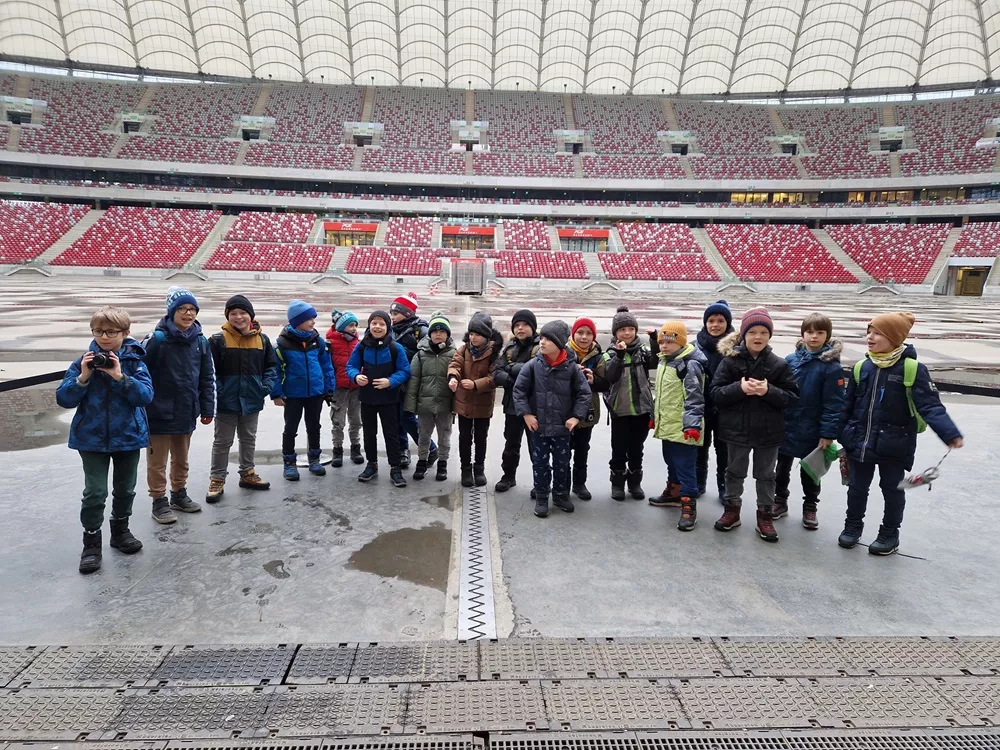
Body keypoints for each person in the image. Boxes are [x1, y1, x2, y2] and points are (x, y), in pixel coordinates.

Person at [838, 312, 963, 555]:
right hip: (859, 441)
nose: (869, 337)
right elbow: (847, 405)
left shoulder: (912, 369)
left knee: (893, 490)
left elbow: (930, 405)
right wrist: (837, 434)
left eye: (877, 333)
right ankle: (852, 525)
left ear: (894, 338)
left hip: (894, 444)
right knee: (856, 488)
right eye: (869, 331)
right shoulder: (861, 367)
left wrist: (950, 433)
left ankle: (890, 533)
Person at [57, 306, 154, 574]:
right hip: (91, 439)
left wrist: (120, 377)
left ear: (125, 333)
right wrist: (83, 377)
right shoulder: (83, 361)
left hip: (128, 437)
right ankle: (91, 542)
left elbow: (145, 396)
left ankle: (120, 531)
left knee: (125, 489)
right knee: (95, 492)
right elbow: (64, 399)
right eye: (98, 331)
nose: (104, 337)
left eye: (111, 331)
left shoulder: (135, 362)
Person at [710, 307, 799, 543]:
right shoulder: (730, 362)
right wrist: (738, 389)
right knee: (734, 472)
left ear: (769, 336)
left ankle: (765, 514)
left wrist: (769, 390)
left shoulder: (778, 365)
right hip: (736, 430)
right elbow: (716, 394)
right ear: (743, 335)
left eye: (763, 332)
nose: (757, 337)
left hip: (768, 432)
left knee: (766, 475)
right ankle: (732, 510)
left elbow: (792, 398)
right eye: (752, 332)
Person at [143, 286, 215, 525]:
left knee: (181, 458)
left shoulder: (200, 341)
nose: (188, 314)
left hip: (186, 410)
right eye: (182, 309)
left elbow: (206, 376)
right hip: (159, 412)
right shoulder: (158, 340)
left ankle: (179, 494)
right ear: (172, 311)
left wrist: (207, 408)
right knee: (157, 460)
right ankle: (159, 501)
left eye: (192, 309)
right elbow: (141, 373)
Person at [513, 320, 591, 518]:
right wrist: (527, 414)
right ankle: (541, 496)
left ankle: (560, 495)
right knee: (540, 463)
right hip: (538, 427)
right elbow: (519, 390)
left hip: (562, 429)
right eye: (542, 337)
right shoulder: (533, 366)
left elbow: (584, 393)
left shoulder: (572, 368)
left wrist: (576, 417)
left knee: (562, 463)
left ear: (559, 343)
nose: (542, 342)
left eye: (548, 339)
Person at [774, 313, 845, 530]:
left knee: (811, 471)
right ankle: (780, 501)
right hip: (787, 424)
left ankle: (810, 505)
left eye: (820, 332)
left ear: (827, 336)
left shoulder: (831, 367)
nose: (814, 337)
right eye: (810, 332)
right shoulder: (790, 360)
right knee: (780, 468)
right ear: (803, 333)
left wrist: (828, 433)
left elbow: (834, 403)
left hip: (813, 428)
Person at [206, 295, 278, 503]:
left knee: (248, 438)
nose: (238, 317)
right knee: (222, 442)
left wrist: (265, 387)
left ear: (250, 315)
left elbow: (271, 367)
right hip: (226, 401)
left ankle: (247, 473)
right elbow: (210, 371)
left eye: (242, 313)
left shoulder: (262, 340)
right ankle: (217, 478)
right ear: (228, 316)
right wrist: (219, 391)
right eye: (233, 314)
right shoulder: (218, 340)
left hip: (252, 399)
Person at [649, 321, 708, 531]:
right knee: (671, 461)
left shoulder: (689, 365)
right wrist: (654, 416)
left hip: (684, 428)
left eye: (669, 342)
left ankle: (689, 505)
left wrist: (692, 425)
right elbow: (662, 394)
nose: (664, 346)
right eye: (661, 342)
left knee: (685, 467)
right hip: (668, 425)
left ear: (681, 343)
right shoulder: (665, 361)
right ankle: (673, 492)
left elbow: (694, 398)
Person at [271, 299, 336, 481]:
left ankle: (314, 459)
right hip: (292, 394)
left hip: (315, 393)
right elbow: (275, 370)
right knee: (290, 428)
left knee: (314, 427)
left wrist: (329, 388)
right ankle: (289, 462)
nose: (313, 322)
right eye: (309, 319)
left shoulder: (318, 341)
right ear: (297, 321)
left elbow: (327, 366)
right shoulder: (282, 344)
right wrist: (276, 393)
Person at [346, 310, 411, 487]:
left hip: (389, 399)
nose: (377, 326)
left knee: (392, 434)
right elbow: (351, 366)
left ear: (387, 327)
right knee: (369, 433)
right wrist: (355, 376)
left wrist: (390, 381)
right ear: (369, 326)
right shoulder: (361, 347)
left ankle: (395, 468)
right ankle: (371, 465)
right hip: (367, 398)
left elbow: (405, 371)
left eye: (382, 324)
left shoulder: (395, 348)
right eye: (374, 323)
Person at [602, 305, 657, 501]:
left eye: (631, 329)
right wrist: (618, 355)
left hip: (641, 409)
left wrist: (654, 340)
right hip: (620, 409)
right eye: (623, 330)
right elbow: (610, 374)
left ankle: (634, 483)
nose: (627, 333)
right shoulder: (609, 352)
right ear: (616, 333)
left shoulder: (643, 350)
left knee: (636, 448)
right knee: (619, 449)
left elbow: (655, 362)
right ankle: (617, 483)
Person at [449, 311, 504, 488]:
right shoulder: (464, 349)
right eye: (471, 333)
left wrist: (475, 384)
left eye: (478, 334)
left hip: (482, 403)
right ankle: (466, 469)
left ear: (487, 336)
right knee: (464, 436)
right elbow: (455, 364)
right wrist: (453, 377)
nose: (473, 338)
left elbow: (495, 377)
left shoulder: (494, 353)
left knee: (481, 437)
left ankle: (478, 469)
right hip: (463, 401)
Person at [404, 311, 456, 481]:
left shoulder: (454, 354)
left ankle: (443, 463)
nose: (438, 334)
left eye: (442, 331)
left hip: (445, 405)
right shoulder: (421, 354)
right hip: (424, 406)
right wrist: (410, 406)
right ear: (429, 333)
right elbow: (413, 382)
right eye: (434, 331)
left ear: (447, 334)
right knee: (423, 435)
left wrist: (456, 406)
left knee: (444, 436)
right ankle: (422, 462)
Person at [493, 309, 539, 493]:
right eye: (517, 325)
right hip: (512, 404)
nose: (520, 328)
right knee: (511, 443)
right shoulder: (509, 348)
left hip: (534, 405)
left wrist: (511, 369)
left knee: (536, 445)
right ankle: (508, 476)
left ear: (532, 327)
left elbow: (536, 371)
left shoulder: (540, 346)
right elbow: (497, 372)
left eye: (525, 325)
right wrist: (513, 377)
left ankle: (540, 481)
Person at [390, 292, 435, 468]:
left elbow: (425, 353)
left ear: (407, 313)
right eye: (392, 314)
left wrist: (400, 352)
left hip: (411, 380)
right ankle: (402, 450)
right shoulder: (391, 329)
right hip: (393, 380)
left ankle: (430, 448)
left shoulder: (421, 329)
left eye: (396, 313)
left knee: (406, 416)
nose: (392, 317)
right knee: (396, 417)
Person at [566, 317, 607, 500]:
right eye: (580, 333)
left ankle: (579, 483)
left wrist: (594, 380)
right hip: (564, 410)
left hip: (587, 410)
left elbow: (606, 383)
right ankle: (562, 482)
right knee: (563, 449)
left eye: (589, 333)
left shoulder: (598, 355)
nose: (584, 337)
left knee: (583, 449)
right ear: (573, 334)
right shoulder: (563, 352)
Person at [326, 310, 364, 468]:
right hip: (339, 389)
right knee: (338, 421)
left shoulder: (358, 343)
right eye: (350, 325)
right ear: (341, 327)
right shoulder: (330, 343)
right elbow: (327, 366)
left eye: (355, 325)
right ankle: (337, 449)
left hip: (356, 387)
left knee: (356, 420)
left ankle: (356, 448)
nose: (354, 328)